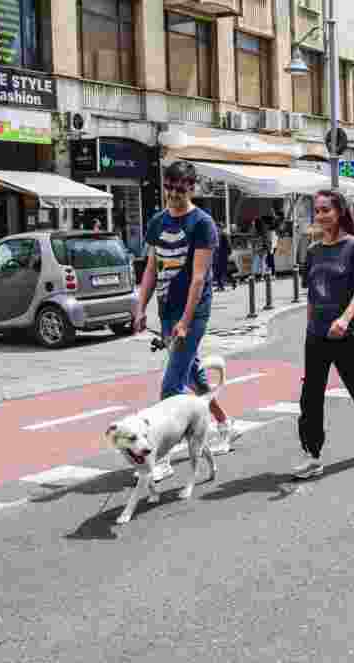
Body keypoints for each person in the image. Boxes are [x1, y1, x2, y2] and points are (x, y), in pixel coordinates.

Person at [133, 161, 237, 476]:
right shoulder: (157, 222)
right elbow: (152, 268)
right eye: (170, 187)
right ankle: (223, 422)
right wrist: (140, 307)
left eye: (181, 189)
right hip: (167, 309)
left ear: (192, 188)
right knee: (192, 374)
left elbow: (198, 278)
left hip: (193, 311)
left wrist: (186, 321)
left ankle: (162, 459)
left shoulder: (202, 224)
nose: (174, 194)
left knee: (171, 386)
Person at [293, 190, 354, 480]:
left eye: (327, 209)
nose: (321, 215)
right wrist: (311, 326)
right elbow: (311, 293)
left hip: (348, 333)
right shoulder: (313, 251)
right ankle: (312, 455)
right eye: (318, 210)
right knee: (310, 395)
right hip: (318, 334)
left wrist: (345, 319)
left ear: (340, 212)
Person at [214, 227, 233, 291]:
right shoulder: (218, 235)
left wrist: (229, 252)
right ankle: (220, 286)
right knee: (219, 271)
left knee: (222, 271)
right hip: (219, 256)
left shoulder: (223, 234)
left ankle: (222, 285)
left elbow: (228, 245)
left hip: (223, 256)